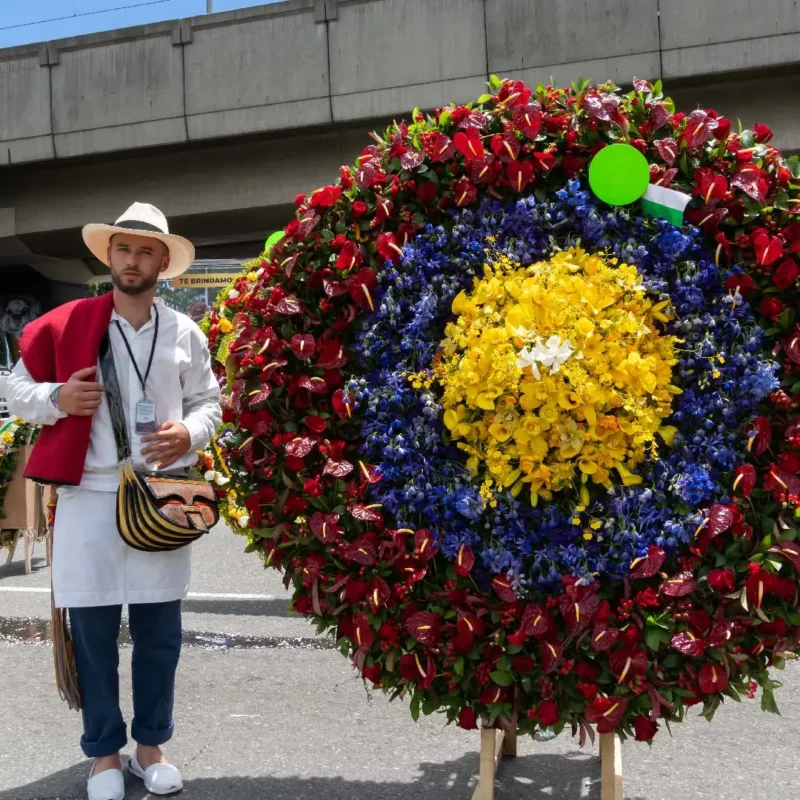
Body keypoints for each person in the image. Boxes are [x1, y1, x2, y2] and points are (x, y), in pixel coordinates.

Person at [7, 202, 222, 800]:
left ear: (162, 263)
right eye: (124, 249)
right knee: (93, 636)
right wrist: (56, 398)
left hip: (159, 496)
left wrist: (190, 433)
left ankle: (150, 746)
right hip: (90, 495)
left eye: (145, 251)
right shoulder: (67, 322)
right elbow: (16, 389)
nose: (133, 260)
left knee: (160, 634)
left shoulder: (185, 332)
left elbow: (211, 402)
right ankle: (104, 754)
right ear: (110, 256)